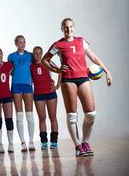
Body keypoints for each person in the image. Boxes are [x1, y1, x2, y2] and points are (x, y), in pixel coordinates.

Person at [41, 18, 113, 157]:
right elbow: (45, 60)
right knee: (72, 115)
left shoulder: (81, 41)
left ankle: (85, 142)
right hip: (68, 80)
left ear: (74, 27)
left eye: (71, 26)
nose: (68, 29)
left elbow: (94, 57)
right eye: (65, 27)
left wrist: (107, 71)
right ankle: (78, 146)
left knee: (91, 114)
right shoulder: (58, 44)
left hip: (83, 78)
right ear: (62, 29)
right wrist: (58, 70)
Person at [8, 35, 35, 152]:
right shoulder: (11, 56)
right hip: (16, 85)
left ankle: (31, 141)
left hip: (27, 85)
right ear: (16, 43)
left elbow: (37, 66)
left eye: (23, 42)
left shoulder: (30, 56)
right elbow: (9, 71)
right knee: (19, 115)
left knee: (29, 115)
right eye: (19, 42)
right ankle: (23, 142)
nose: (21, 44)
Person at [31, 46, 59, 149]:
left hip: (50, 93)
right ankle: (43, 142)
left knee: (53, 117)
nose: (37, 55)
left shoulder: (47, 62)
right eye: (35, 53)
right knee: (42, 118)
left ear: (42, 54)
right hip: (38, 94)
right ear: (33, 55)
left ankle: (54, 141)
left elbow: (60, 71)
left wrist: (57, 85)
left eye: (39, 53)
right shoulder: (31, 66)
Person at [0, 47, 14, 153]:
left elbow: (15, 72)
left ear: (2, 54)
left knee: (9, 120)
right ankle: (0, 144)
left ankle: (11, 144)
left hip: (7, 95)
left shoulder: (9, 65)